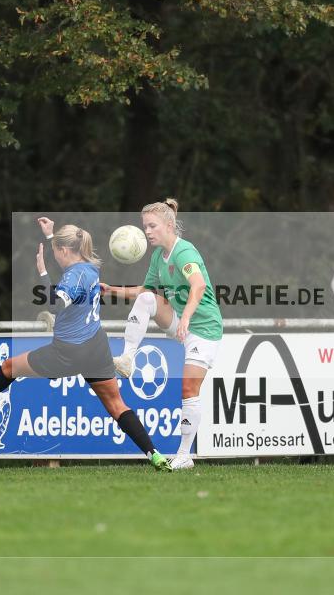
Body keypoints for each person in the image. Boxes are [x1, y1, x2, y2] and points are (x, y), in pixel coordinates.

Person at [0, 218, 171, 471]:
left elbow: (55, 304)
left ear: (64, 251)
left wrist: (42, 271)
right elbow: (68, 269)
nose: (54, 255)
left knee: (9, 368)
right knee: (118, 406)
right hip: (97, 347)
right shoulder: (90, 267)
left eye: (55, 250)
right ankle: (154, 454)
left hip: (68, 352)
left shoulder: (73, 277)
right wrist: (52, 236)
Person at [103, 199, 223, 471]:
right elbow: (145, 290)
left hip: (203, 328)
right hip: (181, 321)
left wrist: (188, 319)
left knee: (188, 389)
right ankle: (127, 359)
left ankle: (184, 455)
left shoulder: (184, 252)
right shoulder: (158, 256)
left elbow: (199, 286)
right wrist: (112, 289)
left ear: (169, 225)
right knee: (147, 298)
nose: (147, 231)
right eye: (145, 226)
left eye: (152, 225)